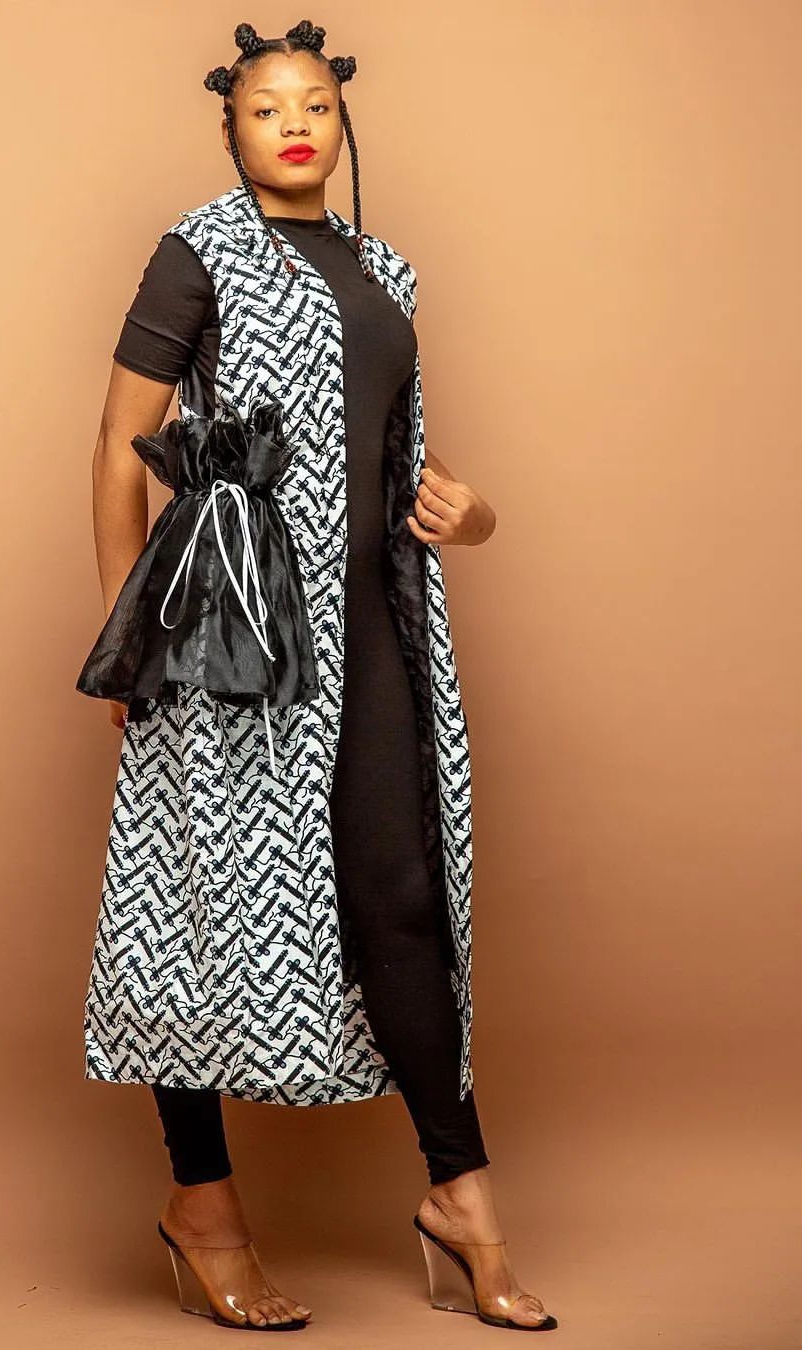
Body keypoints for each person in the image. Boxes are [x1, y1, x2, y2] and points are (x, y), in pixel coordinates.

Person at [78, 18, 557, 1335]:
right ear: (230, 129)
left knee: (401, 897)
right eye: (264, 107)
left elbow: (395, 463)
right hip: (231, 630)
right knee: (193, 901)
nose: (293, 123)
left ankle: (458, 1195)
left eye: (313, 105)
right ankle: (204, 1206)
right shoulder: (199, 251)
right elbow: (120, 444)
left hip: (374, 623)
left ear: (342, 123)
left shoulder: (386, 271)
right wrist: (129, 631)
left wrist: (474, 518)